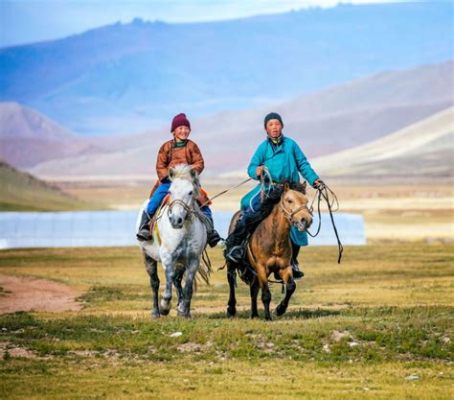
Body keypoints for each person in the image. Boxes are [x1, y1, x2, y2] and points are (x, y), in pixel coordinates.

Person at [224, 112, 323, 279]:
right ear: (266, 129)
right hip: (269, 187)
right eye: (270, 125)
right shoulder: (263, 148)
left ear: (282, 126)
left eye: (277, 124)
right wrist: (256, 171)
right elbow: (252, 166)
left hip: (291, 189)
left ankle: (293, 261)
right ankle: (237, 247)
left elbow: (303, 164)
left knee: (299, 218)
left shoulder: (291, 145)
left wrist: (314, 180)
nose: (274, 127)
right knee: (246, 203)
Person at [137, 113, 222, 247]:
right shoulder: (166, 147)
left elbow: (200, 163)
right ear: (174, 131)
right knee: (154, 201)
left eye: (186, 128)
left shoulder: (192, 146)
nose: (184, 131)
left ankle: (211, 232)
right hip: (169, 183)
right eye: (180, 128)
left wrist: (188, 172)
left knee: (203, 203)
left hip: (188, 183)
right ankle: (144, 228)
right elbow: (160, 166)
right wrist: (171, 175)